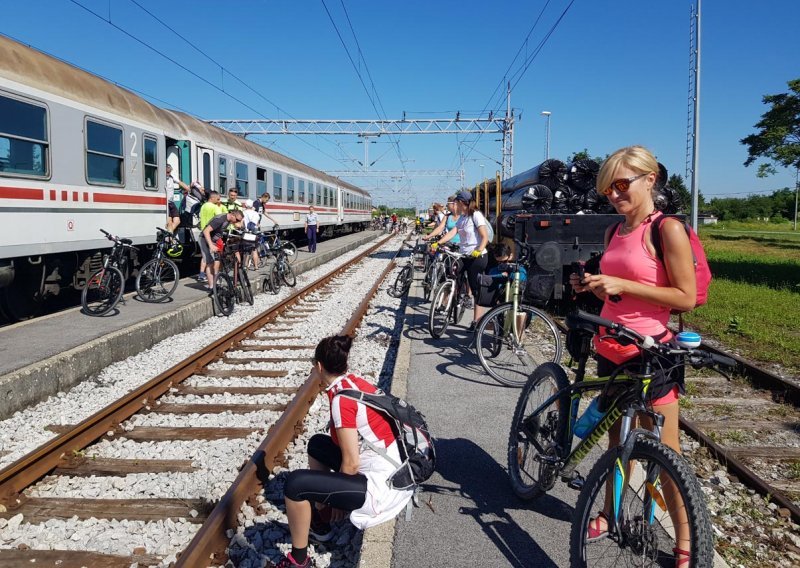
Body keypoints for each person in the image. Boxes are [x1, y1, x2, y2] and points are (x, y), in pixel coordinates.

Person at [569, 145, 696, 566]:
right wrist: (591, 286)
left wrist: (621, 286)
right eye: (608, 188)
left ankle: (686, 540)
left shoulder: (667, 229)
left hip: (651, 353)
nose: (614, 194)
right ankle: (608, 512)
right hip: (610, 345)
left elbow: (686, 296)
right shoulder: (613, 231)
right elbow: (617, 286)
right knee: (614, 439)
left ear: (650, 180)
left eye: (622, 184)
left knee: (667, 449)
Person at [278, 335, 413, 568]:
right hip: (395, 468)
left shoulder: (341, 400)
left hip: (383, 489)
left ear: (319, 367)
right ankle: (321, 520)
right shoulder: (353, 382)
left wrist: (339, 503)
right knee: (317, 444)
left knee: (295, 485)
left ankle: (298, 562)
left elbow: (351, 464)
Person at [433, 189, 490, 331]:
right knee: (453, 272)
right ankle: (454, 293)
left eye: (456, 202)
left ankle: (476, 322)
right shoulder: (463, 218)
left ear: (461, 203)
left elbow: (484, 236)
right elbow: (453, 232)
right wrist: (439, 242)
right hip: (464, 255)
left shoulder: (476, 215)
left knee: (476, 289)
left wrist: (479, 249)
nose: (454, 205)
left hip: (477, 256)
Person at [200, 209, 244, 289]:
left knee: (217, 261)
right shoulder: (220, 219)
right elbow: (206, 231)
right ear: (232, 215)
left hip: (215, 240)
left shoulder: (228, 220)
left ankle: (215, 281)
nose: (236, 222)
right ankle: (211, 287)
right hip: (205, 239)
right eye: (237, 220)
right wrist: (210, 245)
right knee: (209, 262)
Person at [196, 191, 224, 283]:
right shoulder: (215, 207)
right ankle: (216, 277)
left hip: (203, 234)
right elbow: (221, 218)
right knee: (216, 258)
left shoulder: (203, 206)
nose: (218, 200)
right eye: (217, 199)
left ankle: (203, 275)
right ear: (212, 198)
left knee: (206, 257)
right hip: (212, 234)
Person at [165, 164, 190, 234]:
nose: (169, 173)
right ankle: (169, 237)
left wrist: (188, 189)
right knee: (169, 221)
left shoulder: (172, 177)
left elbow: (180, 183)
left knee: (177, 221)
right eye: (167, 172)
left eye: (170, 172)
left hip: (171, 202)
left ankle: (168, 234)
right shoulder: (162, 178)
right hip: (165, 202)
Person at [242, 200, 262, 270]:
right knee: (254, 250)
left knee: (246, 250)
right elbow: (257, 224)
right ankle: (256, 266)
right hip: (254, 234)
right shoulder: (256, 214)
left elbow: (242, 223)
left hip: (246, 233)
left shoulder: (243, 213)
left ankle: (245, 266)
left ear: (245, 205)